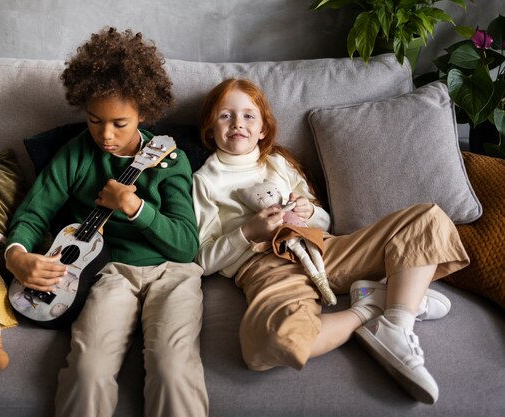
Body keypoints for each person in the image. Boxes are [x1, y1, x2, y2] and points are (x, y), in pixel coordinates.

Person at [192, 78, 469, 404]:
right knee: (272, 343)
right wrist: (248, 233)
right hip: (266, 266)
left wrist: (310, 211)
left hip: (323, 247)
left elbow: (324, 220)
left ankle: (398, 322)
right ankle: (371, 308)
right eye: (226, 115)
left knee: (428, 218)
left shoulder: (278, 164)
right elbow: (202, 259)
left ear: (264, 128)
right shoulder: (205, 181)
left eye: (249, 116)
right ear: (210, 130)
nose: (238, 123)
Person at [5, 27, 208, 417]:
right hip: (108, 272)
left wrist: (135, 207)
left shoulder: (171, 161)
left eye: (120, 123)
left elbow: (186, 244)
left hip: (173, 273)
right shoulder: (77, 153)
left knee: (172, 369)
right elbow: (33, 213)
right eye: (95, 120)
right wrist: (16, 255)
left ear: (144, 112)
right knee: (88, 368)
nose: (106, 136)